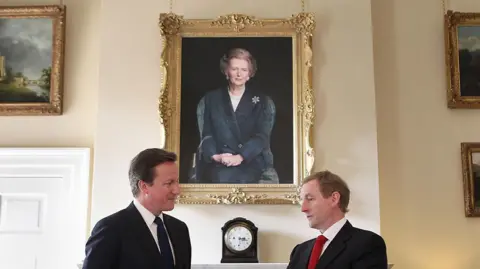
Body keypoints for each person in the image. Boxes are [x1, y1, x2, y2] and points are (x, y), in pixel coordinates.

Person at [82, 148, 191, 269]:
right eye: (169, 183)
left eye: (177, 182)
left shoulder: (180, 229)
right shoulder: (110, 229)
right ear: (144, 187)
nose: (177, 190)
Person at [194, 47, 278, 184]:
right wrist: (216, 156)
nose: (239, 74)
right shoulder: (211, 99)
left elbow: (261, 136)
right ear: (227, 71)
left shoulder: (261, 100)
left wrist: (240, 156)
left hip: (249, 160)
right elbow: (207, 133)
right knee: (219, 177)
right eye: (234, 69)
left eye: (244, 70)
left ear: (250, 74)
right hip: (220, 159)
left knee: (241, 179)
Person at [287, 170, 388, 269]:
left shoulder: (367, 243)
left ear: (334, 199)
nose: (303, 209)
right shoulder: (299, 251)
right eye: (302, 200)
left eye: (310, 199)